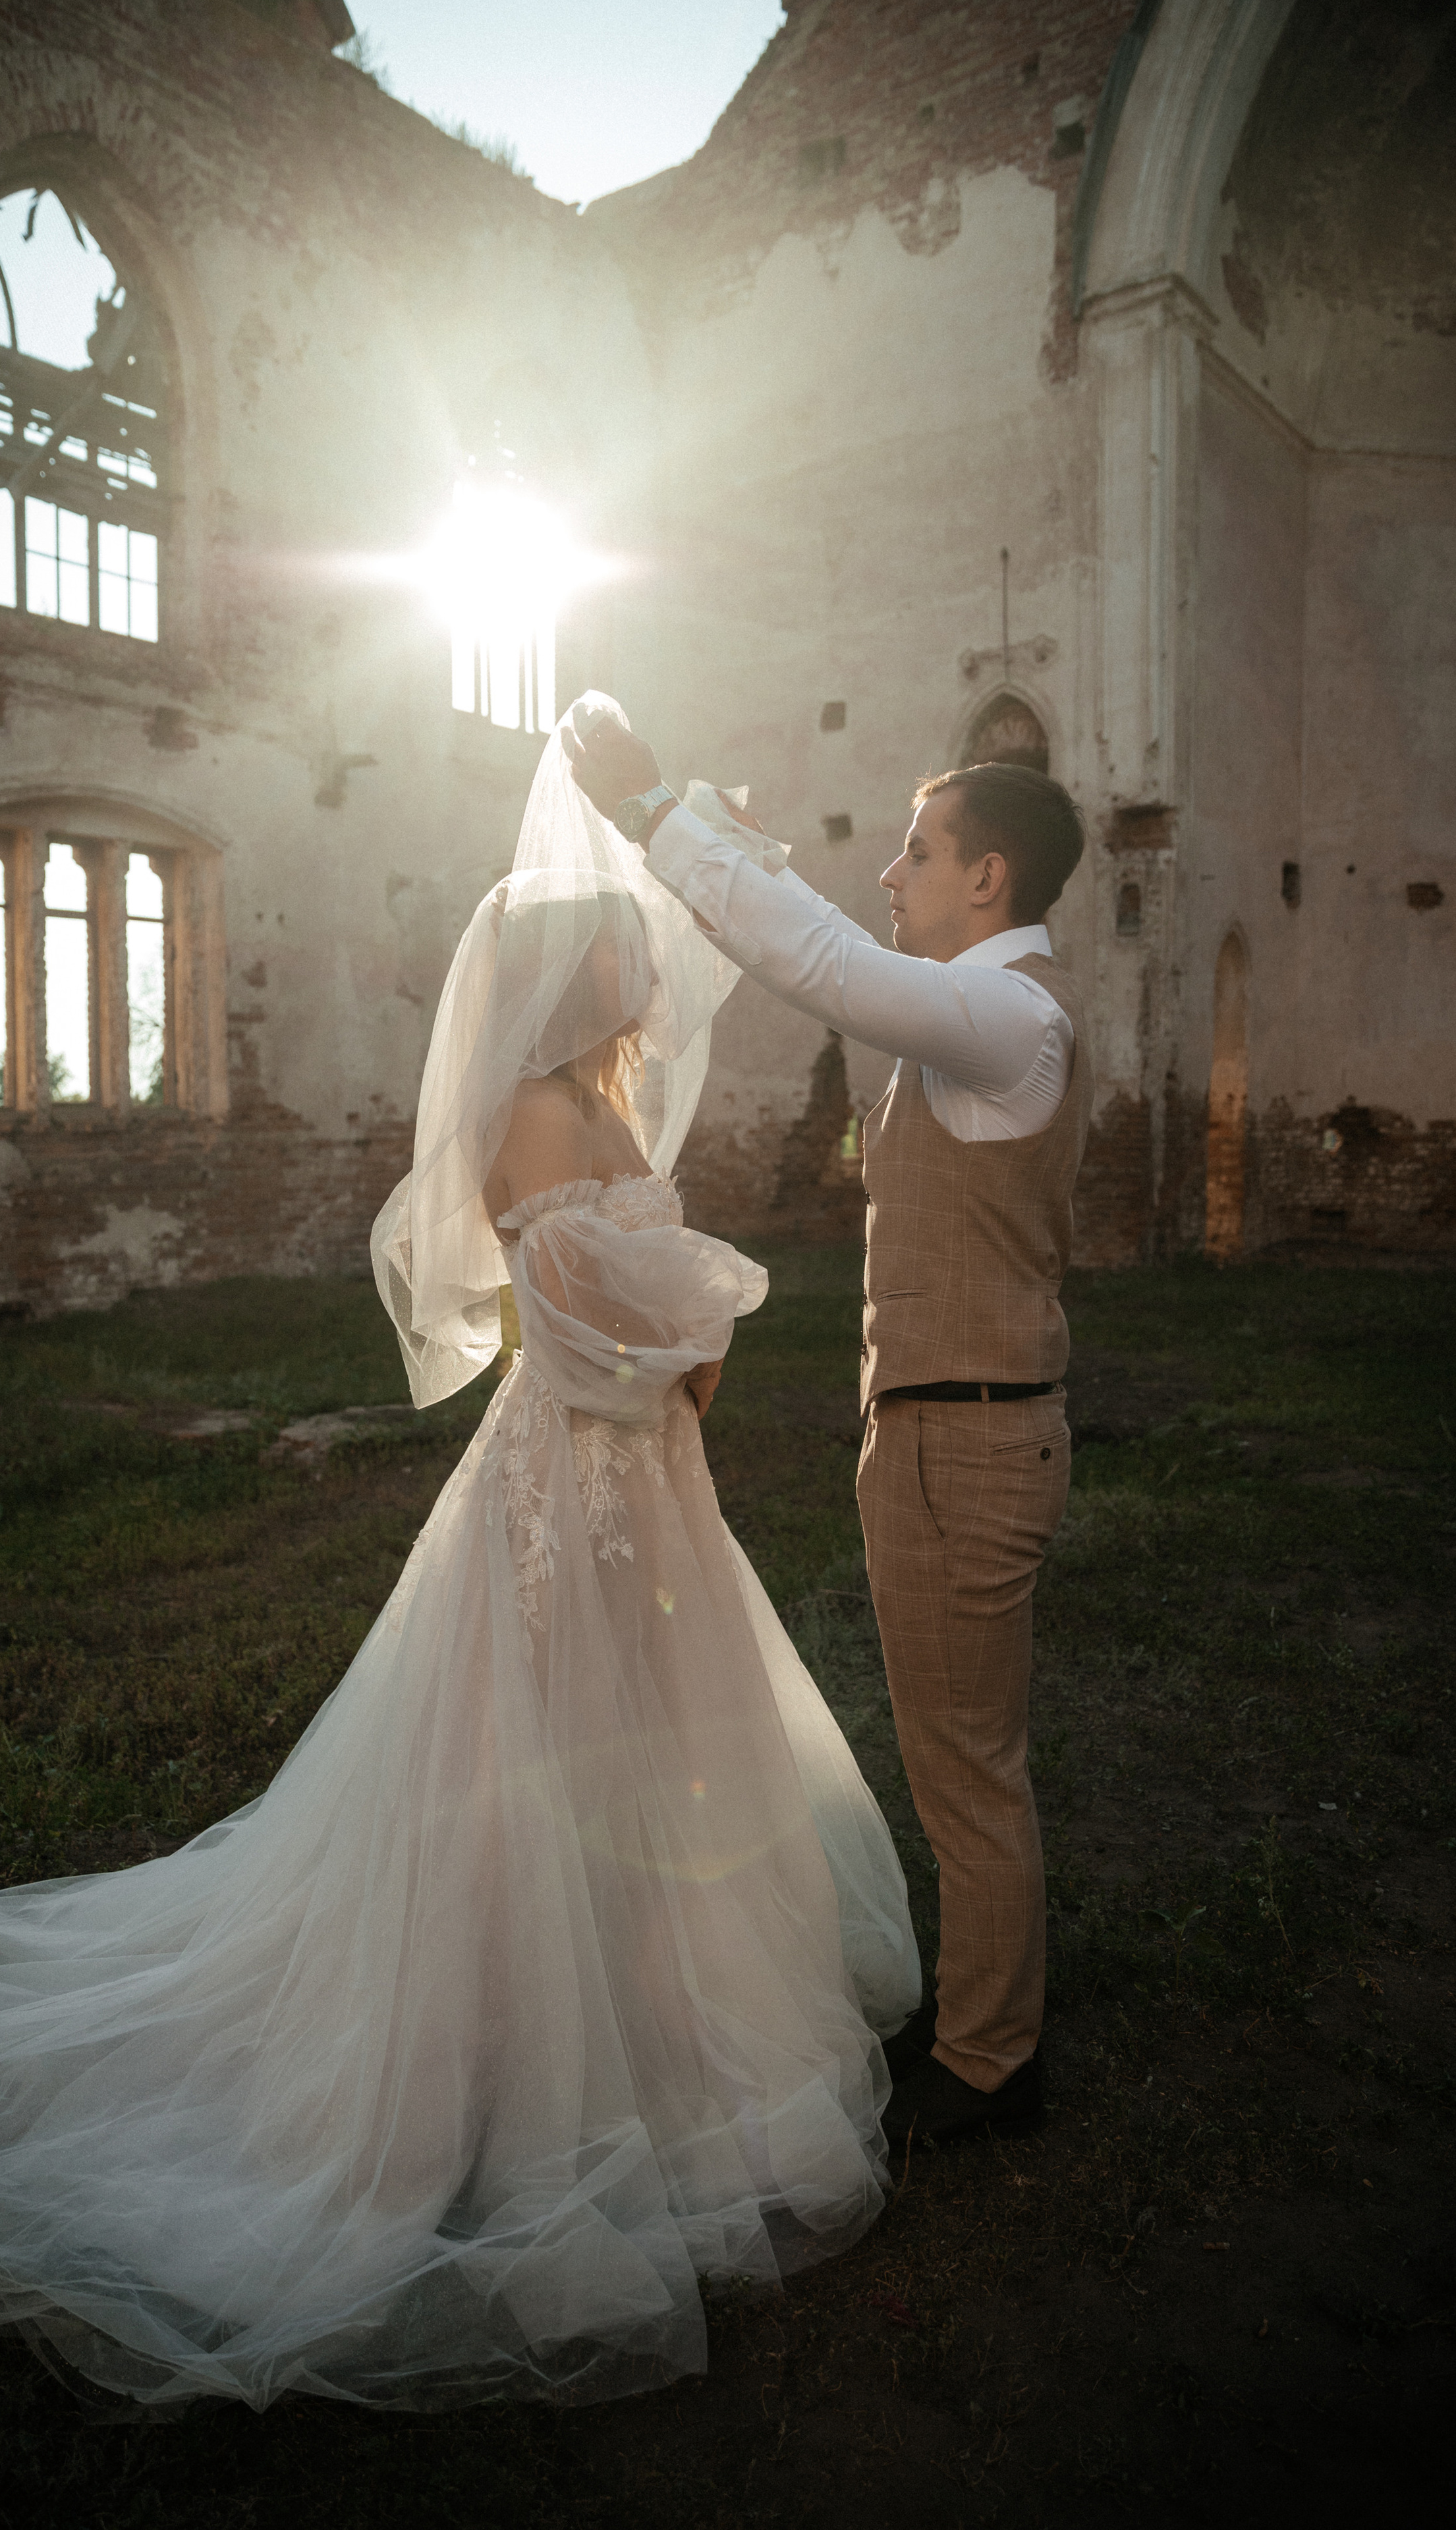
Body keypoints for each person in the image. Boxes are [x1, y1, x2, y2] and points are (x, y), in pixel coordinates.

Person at [0, 696, 920, 2413]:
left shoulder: (600, 1113)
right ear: (563, 981)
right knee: (535, 1763)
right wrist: (697, 1338)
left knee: (650, 1764)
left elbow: (642, 1302)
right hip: (577, 1490)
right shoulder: (539, 1127)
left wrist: (692, 1332)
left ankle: (656, 2032)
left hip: (649, 1493)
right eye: (622, 950)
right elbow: (577, 1328)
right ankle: (508, 2073)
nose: (645, 975)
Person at [569, 716, 1090, 2147]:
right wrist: (702, 831)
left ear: (986, 878)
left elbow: (821, 964)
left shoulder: (1010, 1016)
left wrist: (653, 806)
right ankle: (985, 2013)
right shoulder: (978, 1009)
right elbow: (836, 946)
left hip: (965, 1448)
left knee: (967, 1770)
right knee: (956, 1758)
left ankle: (990, 2063)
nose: (890, 876)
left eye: (915, 853)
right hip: (947, 1434)